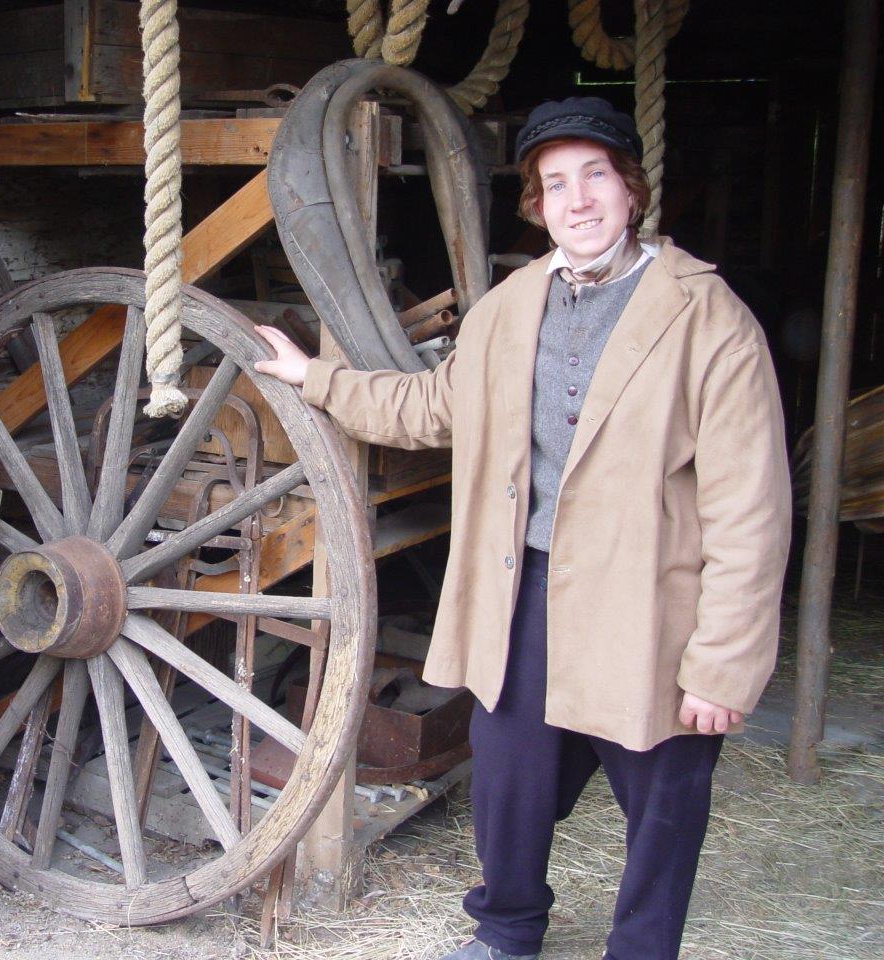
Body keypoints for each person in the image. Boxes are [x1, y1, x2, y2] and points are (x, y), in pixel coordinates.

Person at [252, 96, 791, 960]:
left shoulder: (707, 318)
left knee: (664, 792)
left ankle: (640, 949)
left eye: (596, 176)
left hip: (647, 596)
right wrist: (314, 377)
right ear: (537, 206)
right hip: (521, 588)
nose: (578, 200)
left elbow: (751, 508)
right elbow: (431, 405)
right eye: (555, 184)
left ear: (631, 190)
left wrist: (723, 663)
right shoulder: (512, 306)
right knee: (508, 779)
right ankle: (506, 930)